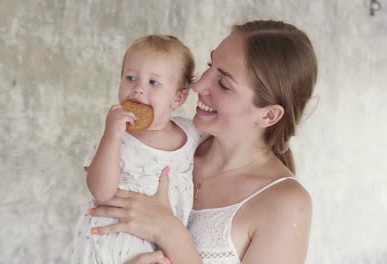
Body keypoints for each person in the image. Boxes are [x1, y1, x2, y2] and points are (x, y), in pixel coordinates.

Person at [86, 20, 318, 264]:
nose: (198, 85)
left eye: (224, 84)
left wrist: (171, 234)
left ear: (268, 115)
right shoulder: (162, 147)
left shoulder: (284, 203)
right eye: (210, 65)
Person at [71, 34, 206, 264]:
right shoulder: (116, 138)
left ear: (178, 98)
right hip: (111, 241)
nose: (138, 89)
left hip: (163, 242)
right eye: (130, 78)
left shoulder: (191, 132)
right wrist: (112, 136)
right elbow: (101, 192)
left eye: (153, 83)